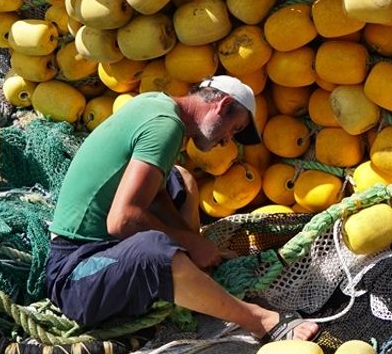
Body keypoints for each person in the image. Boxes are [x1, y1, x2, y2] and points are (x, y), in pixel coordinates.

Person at [45, 75, 318, 343]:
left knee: (181, 180)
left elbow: (155, 195)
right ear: (221, 106)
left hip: (101, 248)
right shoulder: (166, 126)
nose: (226, 142)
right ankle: (258, 321)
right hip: (75, 276)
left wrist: (193, 245)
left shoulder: (157, 104)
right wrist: (190, 243)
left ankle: (189, 276)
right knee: (154, 250)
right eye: (234, 129)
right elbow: (123, 220)